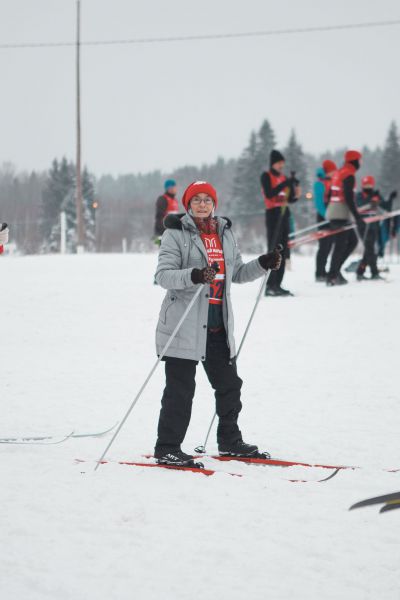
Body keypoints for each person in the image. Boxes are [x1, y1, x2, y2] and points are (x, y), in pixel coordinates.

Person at [154, 181, 282, 467]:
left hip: (217, 327)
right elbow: (163, 276)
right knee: (180, 390)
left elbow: (236, 273)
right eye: (196, 200)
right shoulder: (175, 233)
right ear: (188, 205)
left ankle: (230, 442)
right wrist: (195, 275)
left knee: (229, 386)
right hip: (183, 325)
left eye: (207, 200)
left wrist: (263, 263)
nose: (202, 204)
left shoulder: (225, 233)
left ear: (214, 204)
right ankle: (167, 448)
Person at [261, 150, 301, 296]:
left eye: (282, 164)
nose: (281, 166)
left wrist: (295, 189)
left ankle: (278, 284)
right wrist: (285, 183)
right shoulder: (266, 176)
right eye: (279, 163)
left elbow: (289, 199)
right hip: (273, 214)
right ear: (273, 163)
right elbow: (270, 193)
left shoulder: (283, 177)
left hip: (284, 214)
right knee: (274, 249)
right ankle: (270, 284)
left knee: (283, 250)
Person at [326, 150, 365, 286]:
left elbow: (330, 193)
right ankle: (332, 275)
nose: (361, 163)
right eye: (360, 160)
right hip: (340, 213)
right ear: (354, 160)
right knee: (341, 245)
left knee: (352, 241)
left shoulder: (339, 172)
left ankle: (335, 272)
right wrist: (358, 217)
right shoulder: (349, 174)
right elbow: (348, 197)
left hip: (335, 211)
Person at [355, 176, 386, 280]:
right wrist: (371, 200)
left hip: (374, 225)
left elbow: (383, 205)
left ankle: (360, 271)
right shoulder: (359, 195)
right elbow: (360, 205)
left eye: (369, 185)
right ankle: (374, 272)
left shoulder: (375, 194)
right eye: (366, 185)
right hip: (363, 226)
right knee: (370, 249)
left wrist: (385, 199)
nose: (367, 187)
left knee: (369, 250)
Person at [314, 160, 337, 281]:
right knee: (324, 246)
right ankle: (319, 273)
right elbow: (318, 203)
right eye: (333, 171)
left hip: (332, 215)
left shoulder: (331, 181)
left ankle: (324, 271)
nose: (334, 173)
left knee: (329, 245)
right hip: (323, 216)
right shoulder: (319, 183)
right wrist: (327, 215)